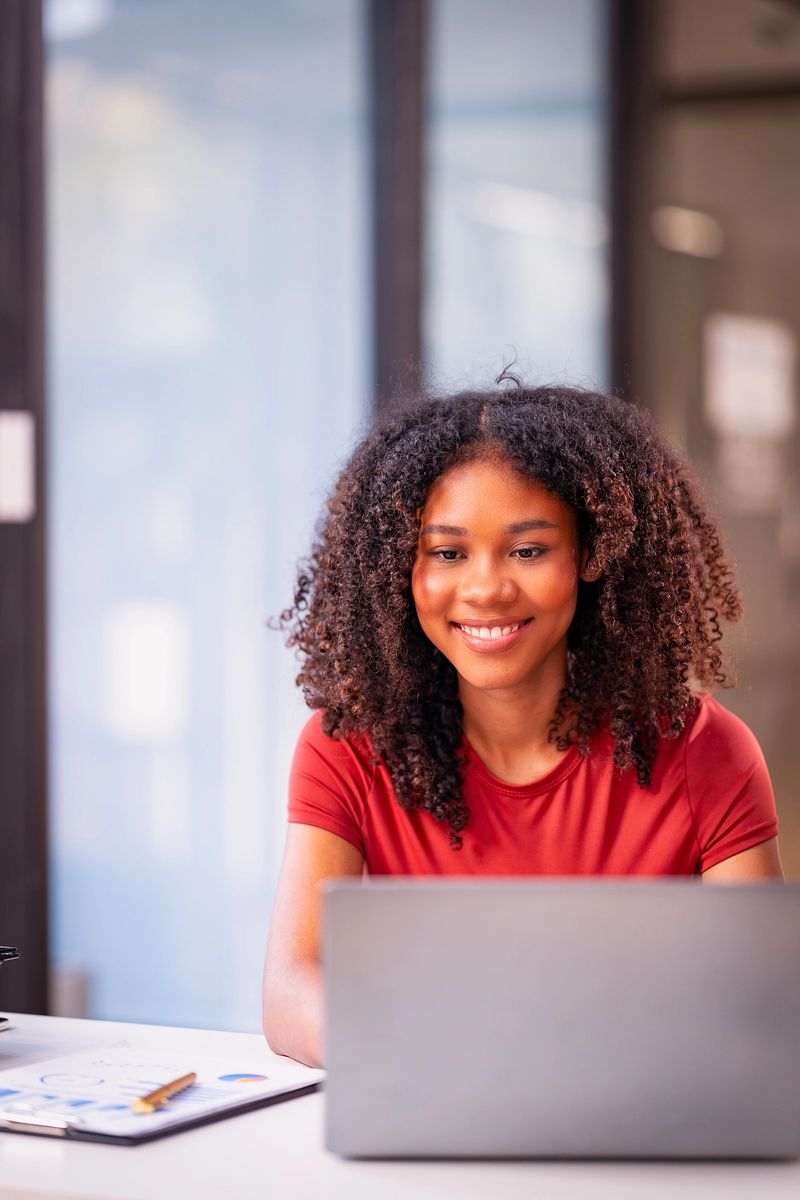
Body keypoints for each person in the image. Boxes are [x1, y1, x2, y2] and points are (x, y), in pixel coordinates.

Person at [262, 381, 783, 1067]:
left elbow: (765, 1003)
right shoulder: (351, 747)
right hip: (433, 1117)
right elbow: (290, 989)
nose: (485, 589)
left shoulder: (705, 752)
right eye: (448, 553)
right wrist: (423, 1053)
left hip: (642, 1133)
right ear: (397, 569)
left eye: (528, 551)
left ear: (594, 557)